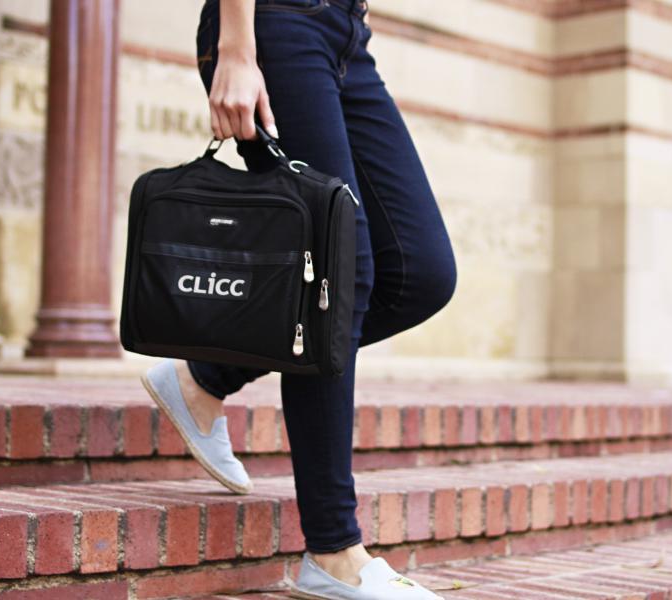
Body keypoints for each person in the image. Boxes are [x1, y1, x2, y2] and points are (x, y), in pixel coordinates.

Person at [141, 0, 456, 597]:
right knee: (340, 272)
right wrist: (237, 46)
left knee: (422, 274)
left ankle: (206, 376)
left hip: (346, 35)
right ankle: (334, 549)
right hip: (274, 22)